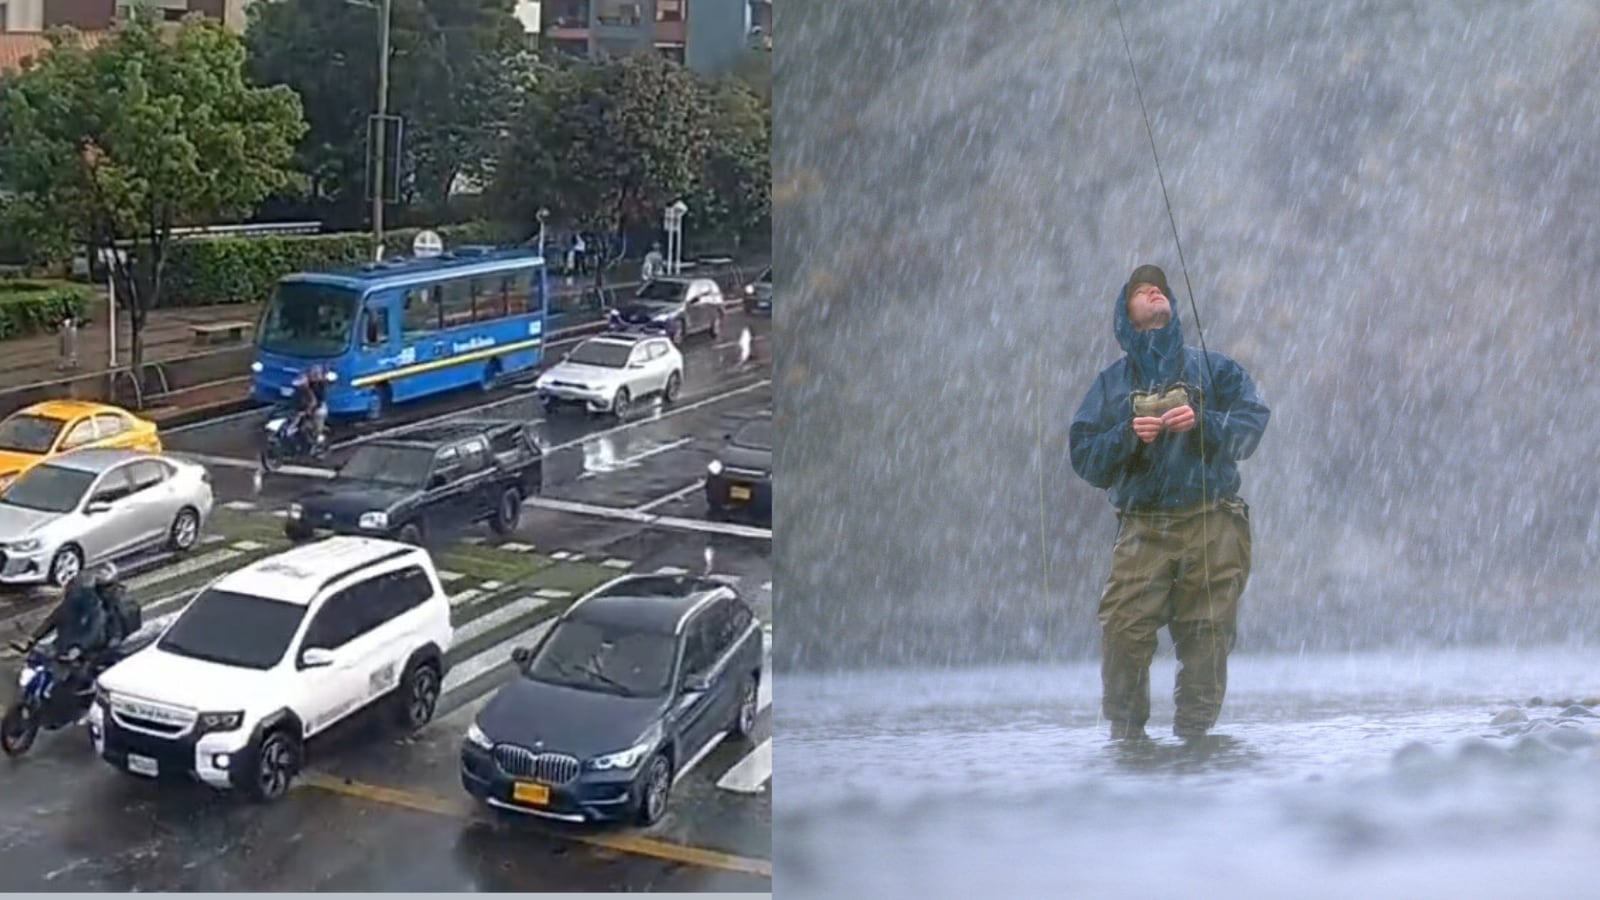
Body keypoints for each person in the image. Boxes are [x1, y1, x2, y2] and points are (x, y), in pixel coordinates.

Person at [1068, 264, 1270, 741]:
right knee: (1123, 631)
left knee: (1208, 637)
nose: (1152, 289)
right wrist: (1127, 437)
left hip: (1214, 522)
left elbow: (1251, 427)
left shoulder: (1216, 369)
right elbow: (1085, 458)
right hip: (1142, 526)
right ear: (1127, 317)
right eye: (1140, 291)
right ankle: (1127, 736)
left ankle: (1197, 742)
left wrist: (1204, 423)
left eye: (1157, 287)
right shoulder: (1110, 385)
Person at [293, 364, 330, 449]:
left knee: (316, 426)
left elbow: (314, 401)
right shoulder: (304, 388)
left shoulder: (319, 387)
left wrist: (308, 411)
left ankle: (317, 443)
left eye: (316, 374)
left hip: (318, 409)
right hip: (309, 409)